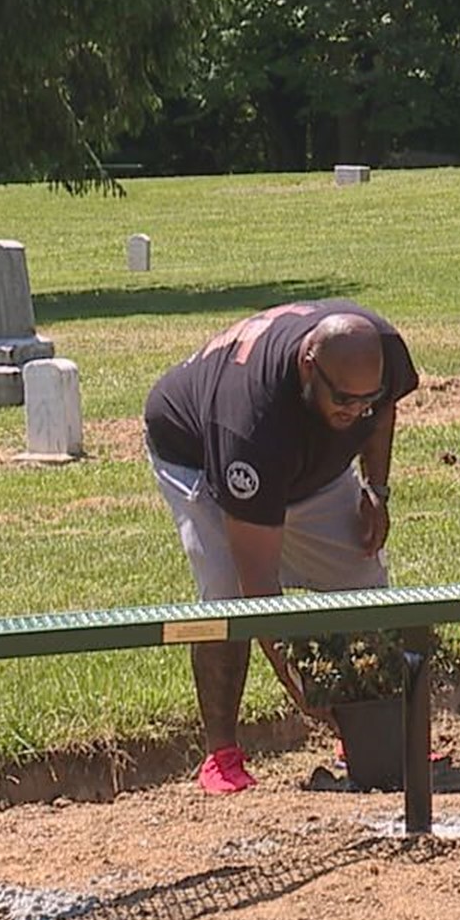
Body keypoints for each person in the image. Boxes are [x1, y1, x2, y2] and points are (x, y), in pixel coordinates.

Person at [144, 299, 420, 792]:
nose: (357, 411)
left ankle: (366, 730)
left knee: (362, 581)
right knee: (226, 601)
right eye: (345, 401)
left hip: (308, 462)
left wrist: (376, 490)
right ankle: (221, 754)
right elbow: (259, 587)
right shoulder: (248, 424)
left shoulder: (379, 353)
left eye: (367, 400)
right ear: (307, 366)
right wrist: (295, 680)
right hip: (199, 455)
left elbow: (383, 411)